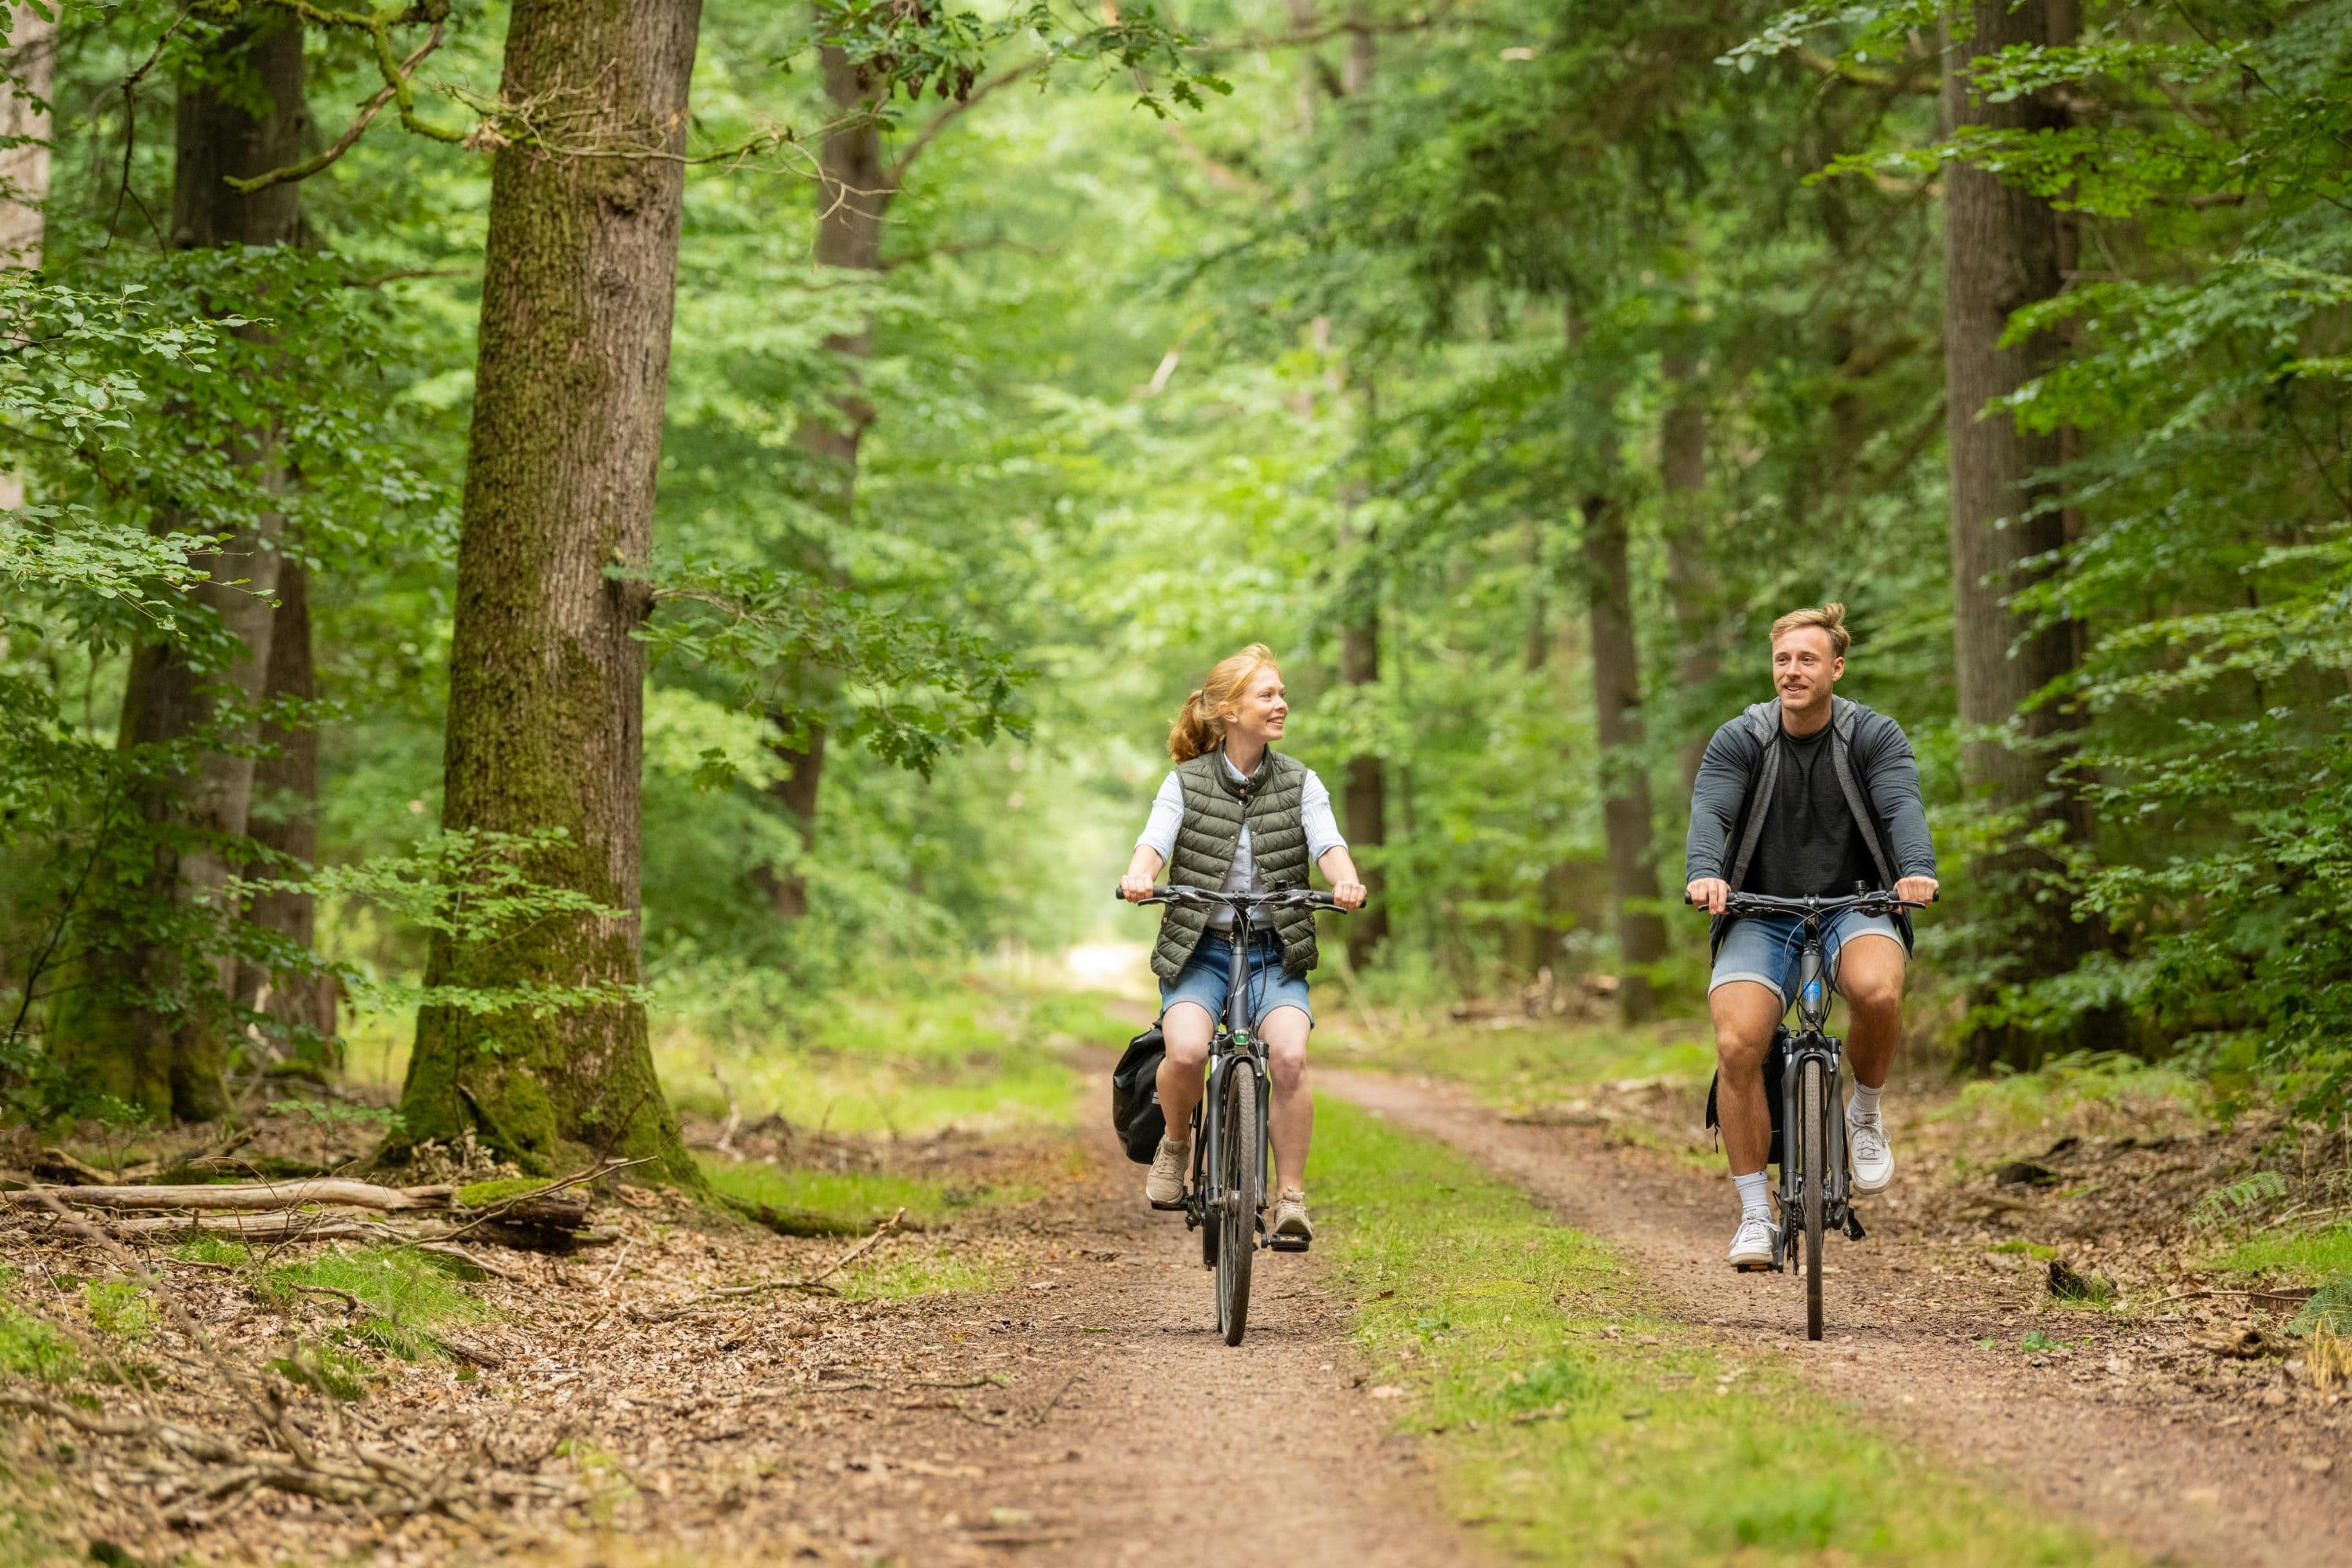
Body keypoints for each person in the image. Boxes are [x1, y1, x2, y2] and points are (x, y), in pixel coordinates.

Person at [1683, 604, 1938, 1270]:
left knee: (1877, 991)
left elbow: (1899, 805)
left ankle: (1866, 1114)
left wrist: (1916, 871)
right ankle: (1754, 1215)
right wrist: (1706, 874)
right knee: (1738, 1042)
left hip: (1860, 900)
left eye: (1806, 659)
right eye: (1782, 660)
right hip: (1759, 909)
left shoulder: (1872, 735)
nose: (1791, 671)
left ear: (1836, 668)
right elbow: (1711, 807)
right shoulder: (1742, 738)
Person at [1116, 644, 1368, 1247]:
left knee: (1288, 1058)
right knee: (1183, 1054)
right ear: (1230, 711)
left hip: (1273, 950)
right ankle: (1176, 1147)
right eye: (1267, 695)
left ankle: (1290, 1199)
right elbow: (1155, 840)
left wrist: (1344, 880)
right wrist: (1139, 874)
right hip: (1199, 948)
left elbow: (1326, 842)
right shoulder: (1185, 782)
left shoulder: (1301, 781)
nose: (1281, 704)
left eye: (1282, 694)